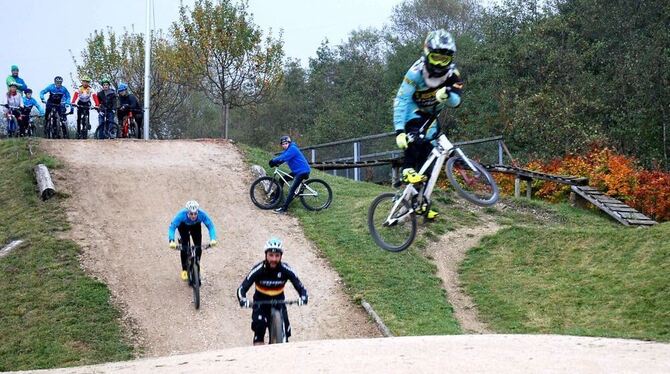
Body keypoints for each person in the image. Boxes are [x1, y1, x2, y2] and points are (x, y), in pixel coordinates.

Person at [392, 29, 464, 220]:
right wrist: (399, 131)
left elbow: (457, 102)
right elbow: (401, 100)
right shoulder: (415, 73)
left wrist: (447, 96)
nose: (440, 64)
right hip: (412, 112)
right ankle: (407, 169)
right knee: (416, 137)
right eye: (435, 58)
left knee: (428, 164)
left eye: (444, 59)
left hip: (431, 116)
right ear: (426, 53)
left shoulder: (453, 74)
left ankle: (421, 203)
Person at [237, 237, 308, 345]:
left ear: (281, 256)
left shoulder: (286, 269)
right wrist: (243, 299)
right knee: (259, 329)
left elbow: (301, 287)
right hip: (260, 304)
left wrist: (303, 297)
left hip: (279, 303)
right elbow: (242, 288)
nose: (274, 259)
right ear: (266, 255)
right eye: (271, 255)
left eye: (277, 256)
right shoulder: (258, 269)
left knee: (285, 334)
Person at [167, 200, 218, 281]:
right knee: (184, 247)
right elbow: (172, 227)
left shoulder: (202, 214)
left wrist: (213, 239)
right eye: (191, 214)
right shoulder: (181, 215)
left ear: (198, 212)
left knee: (198, 247)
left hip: (195, 227)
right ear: (187, 212)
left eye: (195, 214)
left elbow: (210, 226)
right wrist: (171, 240)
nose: (193, 216)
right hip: (183, 226)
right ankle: (184, 270)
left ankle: (196, 266)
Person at [268, 135, 311, 214]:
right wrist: (277, 163)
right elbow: (284, 158)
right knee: (281, 179)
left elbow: (285, 156)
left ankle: (284, 209)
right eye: (283, 144)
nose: (284, 145)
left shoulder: (293, 149)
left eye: (286, 143)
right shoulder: (288, 150)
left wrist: (273, 160)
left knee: (291, 190)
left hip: (302, 171)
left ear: (289, 142)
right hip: (297, 171)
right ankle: (275, 200)